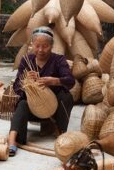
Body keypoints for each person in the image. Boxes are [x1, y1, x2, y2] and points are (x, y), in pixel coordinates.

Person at [7, 26, 75, 157]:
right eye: (37, 45)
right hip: (34, 109)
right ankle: (13, 139)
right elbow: (16, 87)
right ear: (32, 45)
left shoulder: (58, 60)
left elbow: (70, 81)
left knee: (66, 96)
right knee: (22, 104)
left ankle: (61, 132)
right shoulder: (26, 60)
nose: (40, 50)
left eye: (45, 46)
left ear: (52, 46)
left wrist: (53, 81)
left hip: (54, 110)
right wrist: (26, 81)